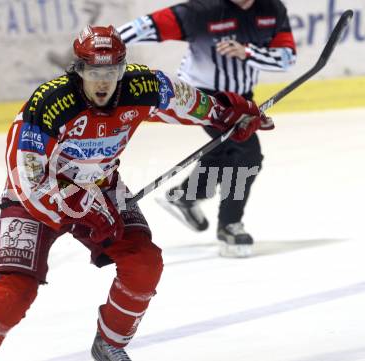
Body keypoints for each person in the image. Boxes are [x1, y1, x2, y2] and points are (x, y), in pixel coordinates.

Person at [0, 25, 272, 361]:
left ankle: (110, 345)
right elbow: (27, 177)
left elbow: (186, 100)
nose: (103, 81)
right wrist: (83, 208)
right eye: (94, 71)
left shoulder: (143, 85)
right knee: (15, 289)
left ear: (122, 69)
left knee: (144, 262)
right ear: (79, 69)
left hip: (102, 187)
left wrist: (228, 113)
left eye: (112, 71)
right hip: (35, 199)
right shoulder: (49, 103)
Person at [118, 0, 296, 257]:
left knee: (226, 149)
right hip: (200, 96)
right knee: (247, 153)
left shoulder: (272, 9)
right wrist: (103, 50)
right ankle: (230, 224)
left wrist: (247, 53)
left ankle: (186, 195)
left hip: (241, 96)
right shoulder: (201, 10)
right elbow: (136, 29)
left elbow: (286, 59)